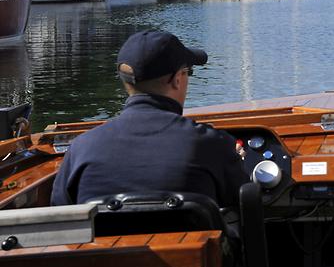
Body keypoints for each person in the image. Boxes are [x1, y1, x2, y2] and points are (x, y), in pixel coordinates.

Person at [51, 30, 248, 207]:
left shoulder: (81, 148)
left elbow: (60, 217)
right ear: (177, 79)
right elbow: (243, 205)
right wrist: (234, 162)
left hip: (107, 248)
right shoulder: (211, 145)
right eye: (188, 72)